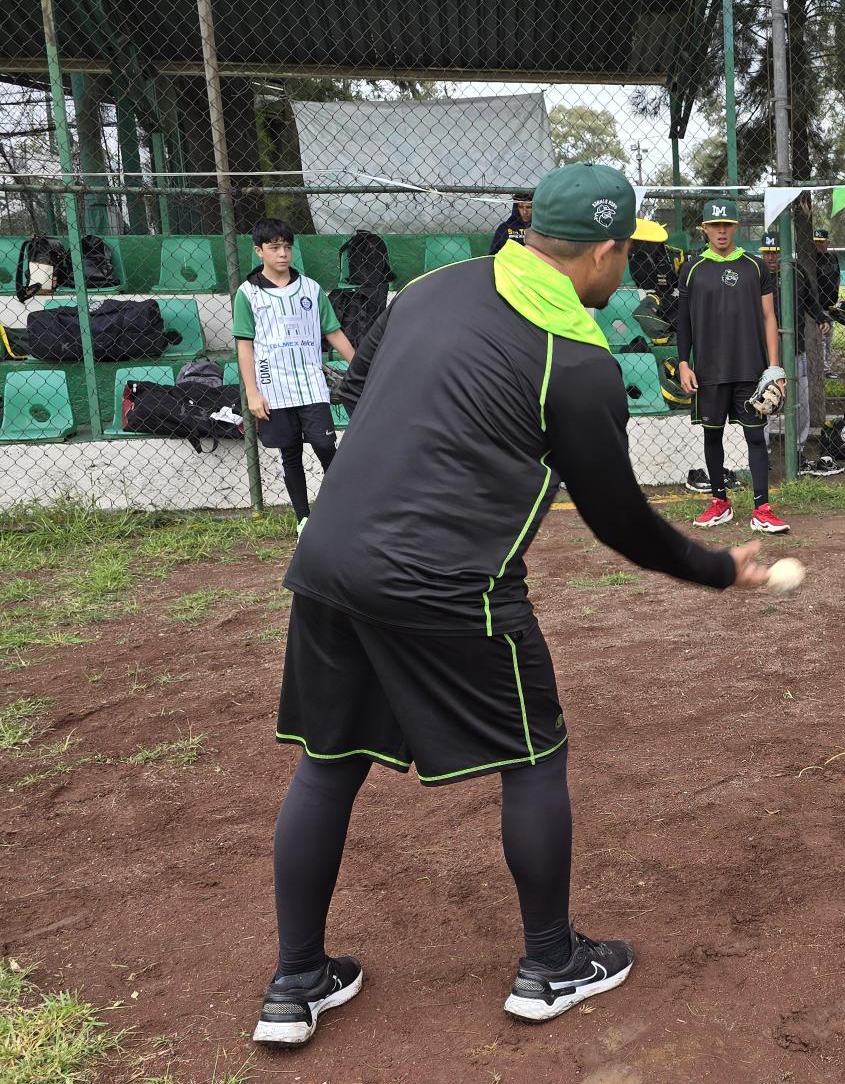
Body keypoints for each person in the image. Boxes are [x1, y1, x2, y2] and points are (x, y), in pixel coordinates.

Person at [253, 164, 776, 1047]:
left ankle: (295, 982)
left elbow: (353, 391)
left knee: (328, 763)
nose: (629, 273)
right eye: (628, 258)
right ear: (604, 254)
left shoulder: (430, 286)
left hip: (330, 559)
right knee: (535, 756)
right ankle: (551, 963)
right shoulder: (577, 364)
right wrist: (718, 571)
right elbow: (619, 523)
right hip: (452, 584)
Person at [676, 200, 791, 534]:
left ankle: (762, 509)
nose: (721, 231)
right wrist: (684, 363)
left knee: (755, 437)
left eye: (727, 225)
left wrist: (774, 369)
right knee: (712, 437)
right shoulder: (692, 268)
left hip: (750, 369)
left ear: (736, 227)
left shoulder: (755, 266)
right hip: (709, 371)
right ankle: (720, 502)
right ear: (705, 229)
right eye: (715, 226)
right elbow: (683, 321)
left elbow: (770, 318)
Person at [235, 218, 354, 534]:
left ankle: (344, 511)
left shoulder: (311, 289)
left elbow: (333, 332)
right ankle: (304, 519)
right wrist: (252, 391)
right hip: (274, 388)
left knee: (326, 447)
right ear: (259, 251)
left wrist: (360, 366)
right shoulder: (247, 294)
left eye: (287, 247)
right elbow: (245, 346)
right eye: (274, 248)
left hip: (311, 385)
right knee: (290, 453)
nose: (283, 254)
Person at [808, 227, 842, 378]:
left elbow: (837, 276)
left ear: (828, 242)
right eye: (816, 242)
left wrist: (836, 293)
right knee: (820, 339)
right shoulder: (811, 259)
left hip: (830, 304)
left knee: (828, 340)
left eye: (822, 242)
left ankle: (826, 368)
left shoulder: (833, 257)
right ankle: (822, 369)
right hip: (817, 306)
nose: (819, 245)